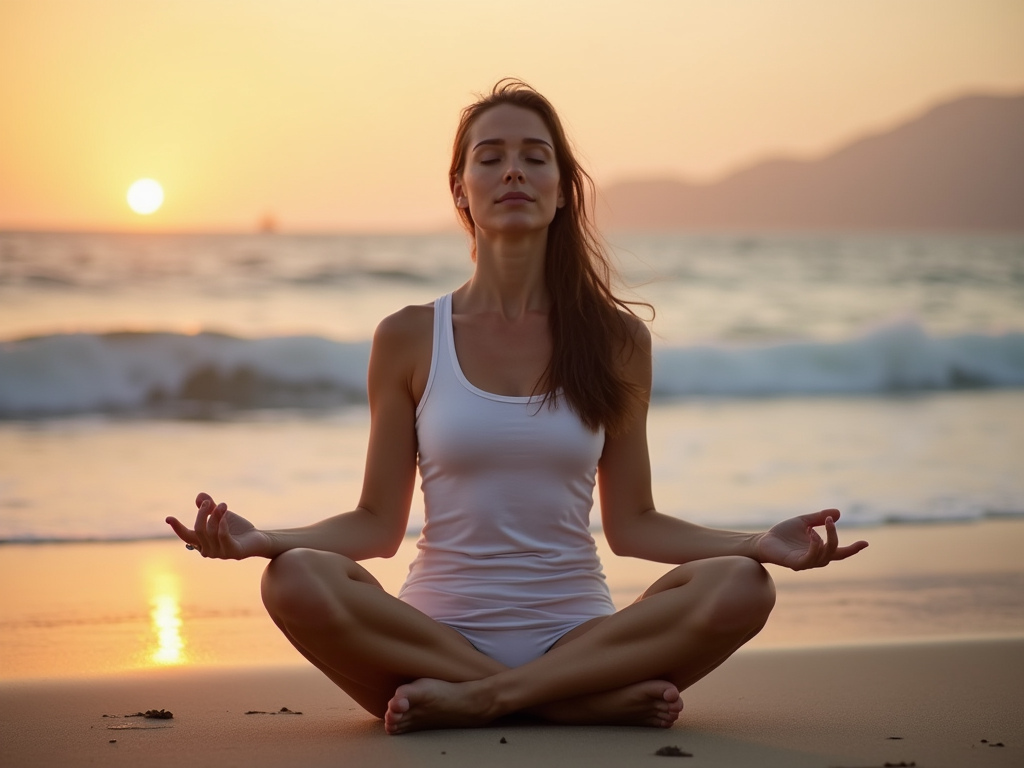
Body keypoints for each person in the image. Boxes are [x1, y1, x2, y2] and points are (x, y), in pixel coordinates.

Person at [166, 79, 868, 735]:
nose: (513, 172)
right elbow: (377, 525)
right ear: (461, 190)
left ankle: (489, 700)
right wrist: (263, 541)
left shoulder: (617, 340)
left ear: (561, 191)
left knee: (744, 588)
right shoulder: (410, 335)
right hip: (430, 637)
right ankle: (572, 702)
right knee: (292, 578)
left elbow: (634, 524)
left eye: (535, 158)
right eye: (490, 157)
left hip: (583, 634)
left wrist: (755, 545)